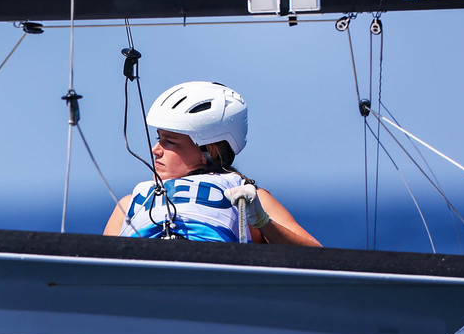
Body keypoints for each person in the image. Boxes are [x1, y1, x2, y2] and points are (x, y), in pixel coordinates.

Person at [103, 81, 320, 246]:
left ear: (210, 151)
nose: (155, 150)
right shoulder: (129, 203)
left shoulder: (247, 196)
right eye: (158, 138)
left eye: (170, 142)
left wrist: (262, 222)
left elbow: (315, 255)